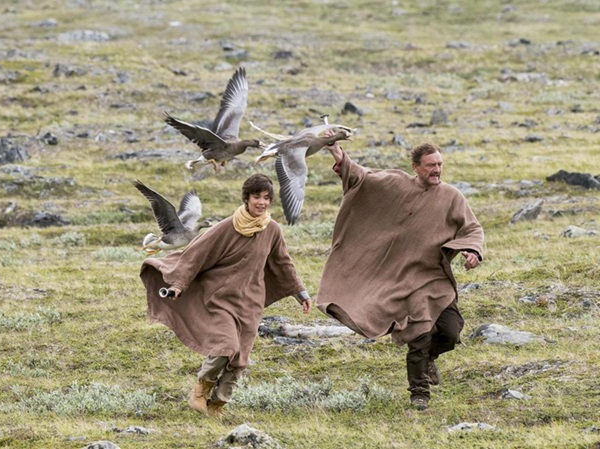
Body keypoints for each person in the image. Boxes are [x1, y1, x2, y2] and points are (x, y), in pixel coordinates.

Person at [315, 140, 484, 411]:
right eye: (431, 165)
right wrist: (338, 154)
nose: (437, 170)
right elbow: (362, 176)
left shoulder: (452, 197)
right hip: (403, 281)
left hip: (434, 279)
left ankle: (430, 358)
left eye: (440, 164)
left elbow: (472, 228)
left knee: (451, 332)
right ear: (415, 167)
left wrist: (472, 251)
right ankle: (419, 392)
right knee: (420, 334)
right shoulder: (395, 184)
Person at [140, 173, 312, 418]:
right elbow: (196, 253)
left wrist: (300, 293)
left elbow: (283, 263)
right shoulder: (227, 226)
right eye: (256, 197)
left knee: (240, 358)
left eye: (266, 198)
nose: (261, 202)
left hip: (250, 302)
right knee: (225, 347)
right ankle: (201, 388)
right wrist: (178, 284)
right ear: (246, 198)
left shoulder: (272, 230)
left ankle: (217, 405)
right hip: (220, 298)